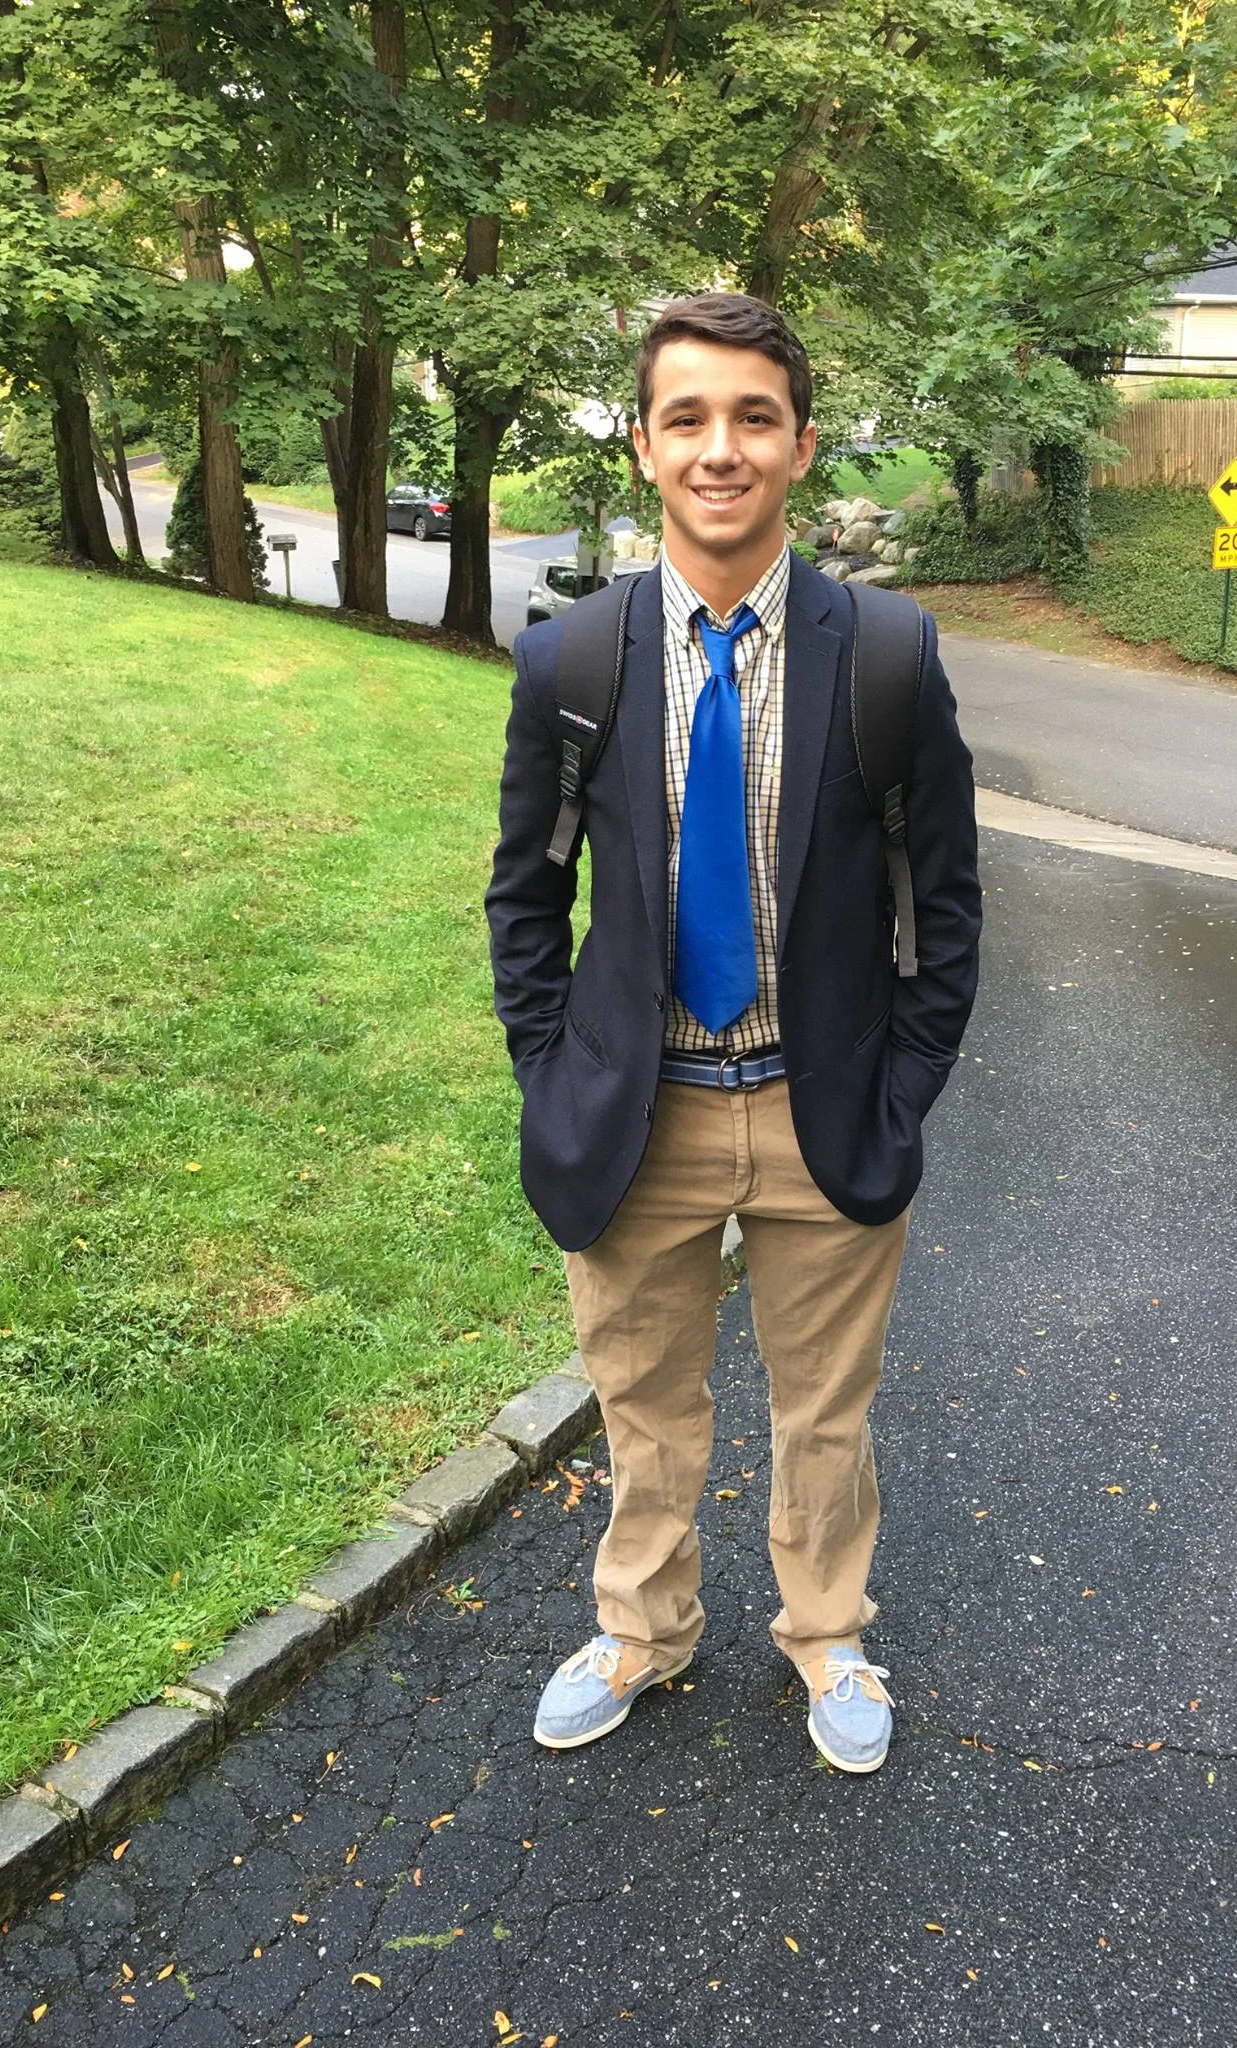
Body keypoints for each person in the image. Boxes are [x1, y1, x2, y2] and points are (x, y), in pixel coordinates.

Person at [485, 292, 981, 1773]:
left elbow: (945, 905)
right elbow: (526, 897)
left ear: (801, 446)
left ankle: (827, 1632)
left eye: (753, 418)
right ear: (645, 447)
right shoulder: (574, 662)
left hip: (825, 1105)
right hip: (640, 1113)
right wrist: (552, 1075)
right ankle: (642, 1629)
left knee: (825, 1408)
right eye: (687, 417)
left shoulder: (885, 652)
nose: (721, 448)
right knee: (642, 1400)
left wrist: (902, 1089)